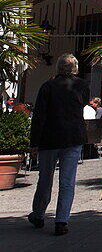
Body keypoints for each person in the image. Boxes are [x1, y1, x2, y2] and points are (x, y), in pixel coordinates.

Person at [27, 53, 88, 237]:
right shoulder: (82, 85)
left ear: (58, 67)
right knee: (67, 182)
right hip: (73, 137)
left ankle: (38, 215)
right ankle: (62, 221)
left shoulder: (48, 86)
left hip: (50, 138)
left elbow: (39, 116)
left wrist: (34, 143)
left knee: (45, 179)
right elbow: (82, 104)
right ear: (75, 68)